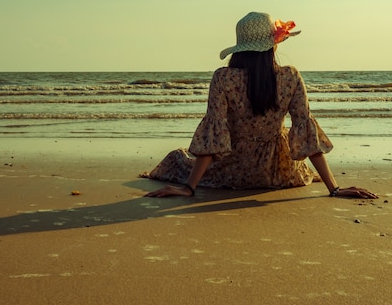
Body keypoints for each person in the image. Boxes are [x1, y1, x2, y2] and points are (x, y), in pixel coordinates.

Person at [142, 11, 377, 199]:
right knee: (301, 167)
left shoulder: (223, 77)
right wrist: (334, 188)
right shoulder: (290, 76)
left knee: (177, 158)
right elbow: (305, 132)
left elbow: (214, 138)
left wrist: (190, 187)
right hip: (279, 172)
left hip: (234, 171)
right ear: (274, 44)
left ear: (240, 47)